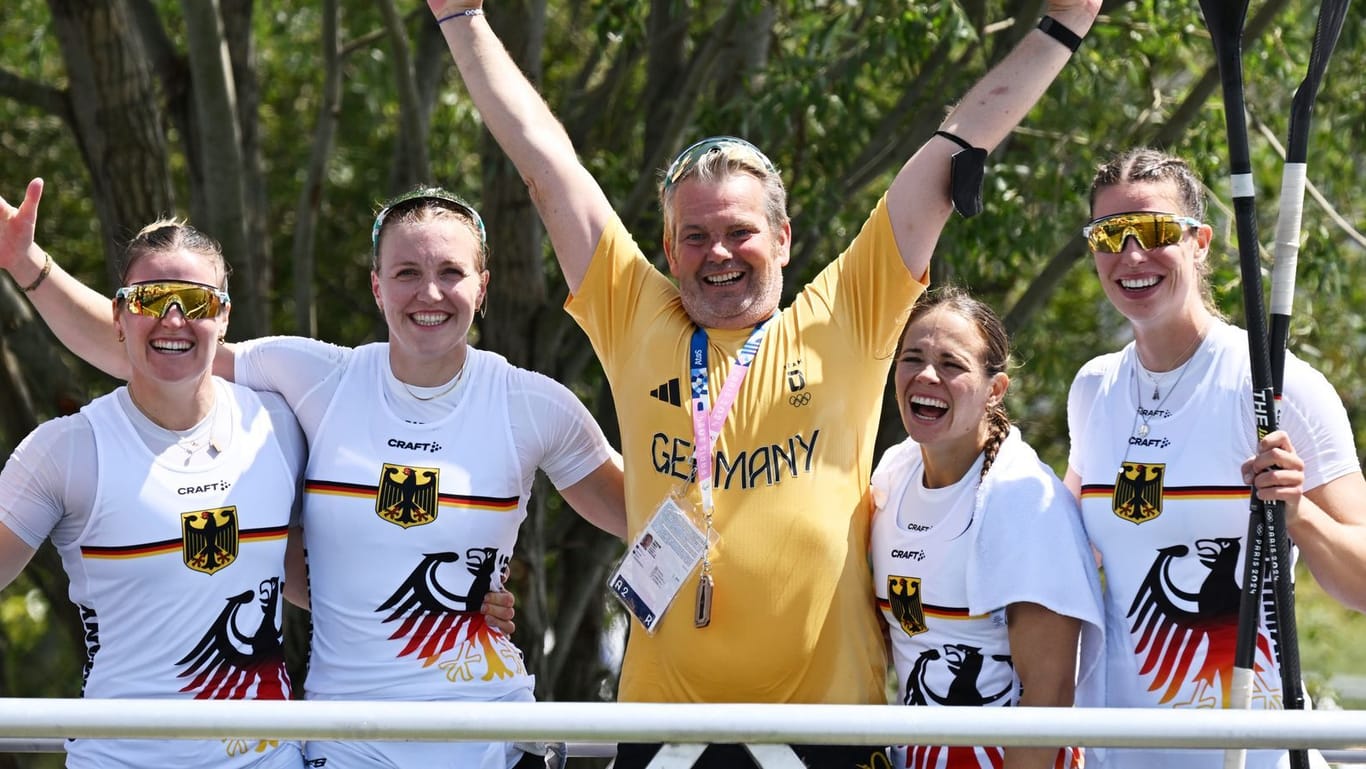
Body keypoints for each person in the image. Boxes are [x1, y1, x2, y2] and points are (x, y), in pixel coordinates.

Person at [428, 0, 1099, 766]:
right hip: (664, 733)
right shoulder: (634, 315)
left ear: (782, 238)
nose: (719, 252)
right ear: (669, 250)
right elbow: (544, 162)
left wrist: (1060, 28)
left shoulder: (846, 312)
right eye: (696, 235)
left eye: (740, 230)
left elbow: (949, 155)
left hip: (823, 732)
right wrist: (463, 19)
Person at [0, 180, 627, 769]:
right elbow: (157, 350)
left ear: (482, 286)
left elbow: (645, 517)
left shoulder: (534, 404)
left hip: (490, 735)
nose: (428, 293)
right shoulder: (312, 381)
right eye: (406, 272)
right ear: (377, 287)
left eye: (451, 273)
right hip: (347, 742)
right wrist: (30, 268)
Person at [1065, 147, 1366, 768]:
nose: (1130, 256)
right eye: (1108, 235)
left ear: (1200, 241)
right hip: (1116, 753)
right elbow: (1065, 560)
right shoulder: (1093, 389)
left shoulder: (1278, 386)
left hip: (1247, 757)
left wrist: (1297, 513)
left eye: (1152, 231)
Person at [0, 220, 307, 769]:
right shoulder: (66, 450)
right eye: (150, 298)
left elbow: (329, 578)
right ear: (118, 315)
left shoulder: (280, 426)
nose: (173, 318)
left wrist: (477, 604)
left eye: (194, 299)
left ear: (224, 315)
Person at [872, 286, 1102, 769]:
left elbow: (1049, 692)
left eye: (951, 365)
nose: (926, 376)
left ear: (994, 390)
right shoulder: (893, 473)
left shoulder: (1022, 497)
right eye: (912, 358)